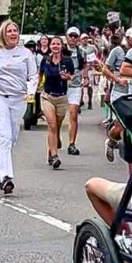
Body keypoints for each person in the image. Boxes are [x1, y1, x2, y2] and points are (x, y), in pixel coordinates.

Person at [0, 20, 38, 194]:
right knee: (4, 137)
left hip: (17, 99)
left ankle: (0, 166)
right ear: (3, 35)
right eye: (9, 31)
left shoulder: (26, 54)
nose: (13, 34)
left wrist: (31, 92)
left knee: (12, 137)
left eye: (15, 31)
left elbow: (33, 76)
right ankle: (6, 177)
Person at [102, 29, 132, 162]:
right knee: (121, 125)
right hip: (119, 91)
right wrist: (117, 80)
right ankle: (111, 141)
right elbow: (105, 68)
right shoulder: (117, 51)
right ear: (127, 38)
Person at [39, 36, 74, 169]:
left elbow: (72, 75)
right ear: (49, 46)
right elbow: (40, 74)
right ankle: (54, 156)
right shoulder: (46, 60)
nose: (55, 46)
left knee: (57, 126)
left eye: (58, 44)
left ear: (61, 46)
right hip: (48, 96)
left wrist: (68, 77)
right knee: (52, 125)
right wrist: (36, 87)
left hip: (62, 97)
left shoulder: (67, 61)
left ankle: (51, 149)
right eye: (53, 44)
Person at [63, 27, 87, 155]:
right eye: (70, 36)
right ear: (66, 36)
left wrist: (86, 77)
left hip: (75, 85)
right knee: (59, 116)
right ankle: (56, 137)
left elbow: (84, 66)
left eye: (75, 36)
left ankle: (72, 143)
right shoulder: (60, 49)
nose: (73, 38)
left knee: (73, 114)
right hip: (60, 86)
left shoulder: (81, 52)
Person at [79, 33, 98, 110]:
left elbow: (97, 54)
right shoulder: (79, 48)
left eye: (86, 38)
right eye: (83, 38)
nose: (85, 40)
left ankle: (90, 101)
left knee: (89, 86)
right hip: (81, 68)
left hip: (90, 68)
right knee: (81, 86)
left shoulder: (92, 47)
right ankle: (80, 101)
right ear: (80, 40)